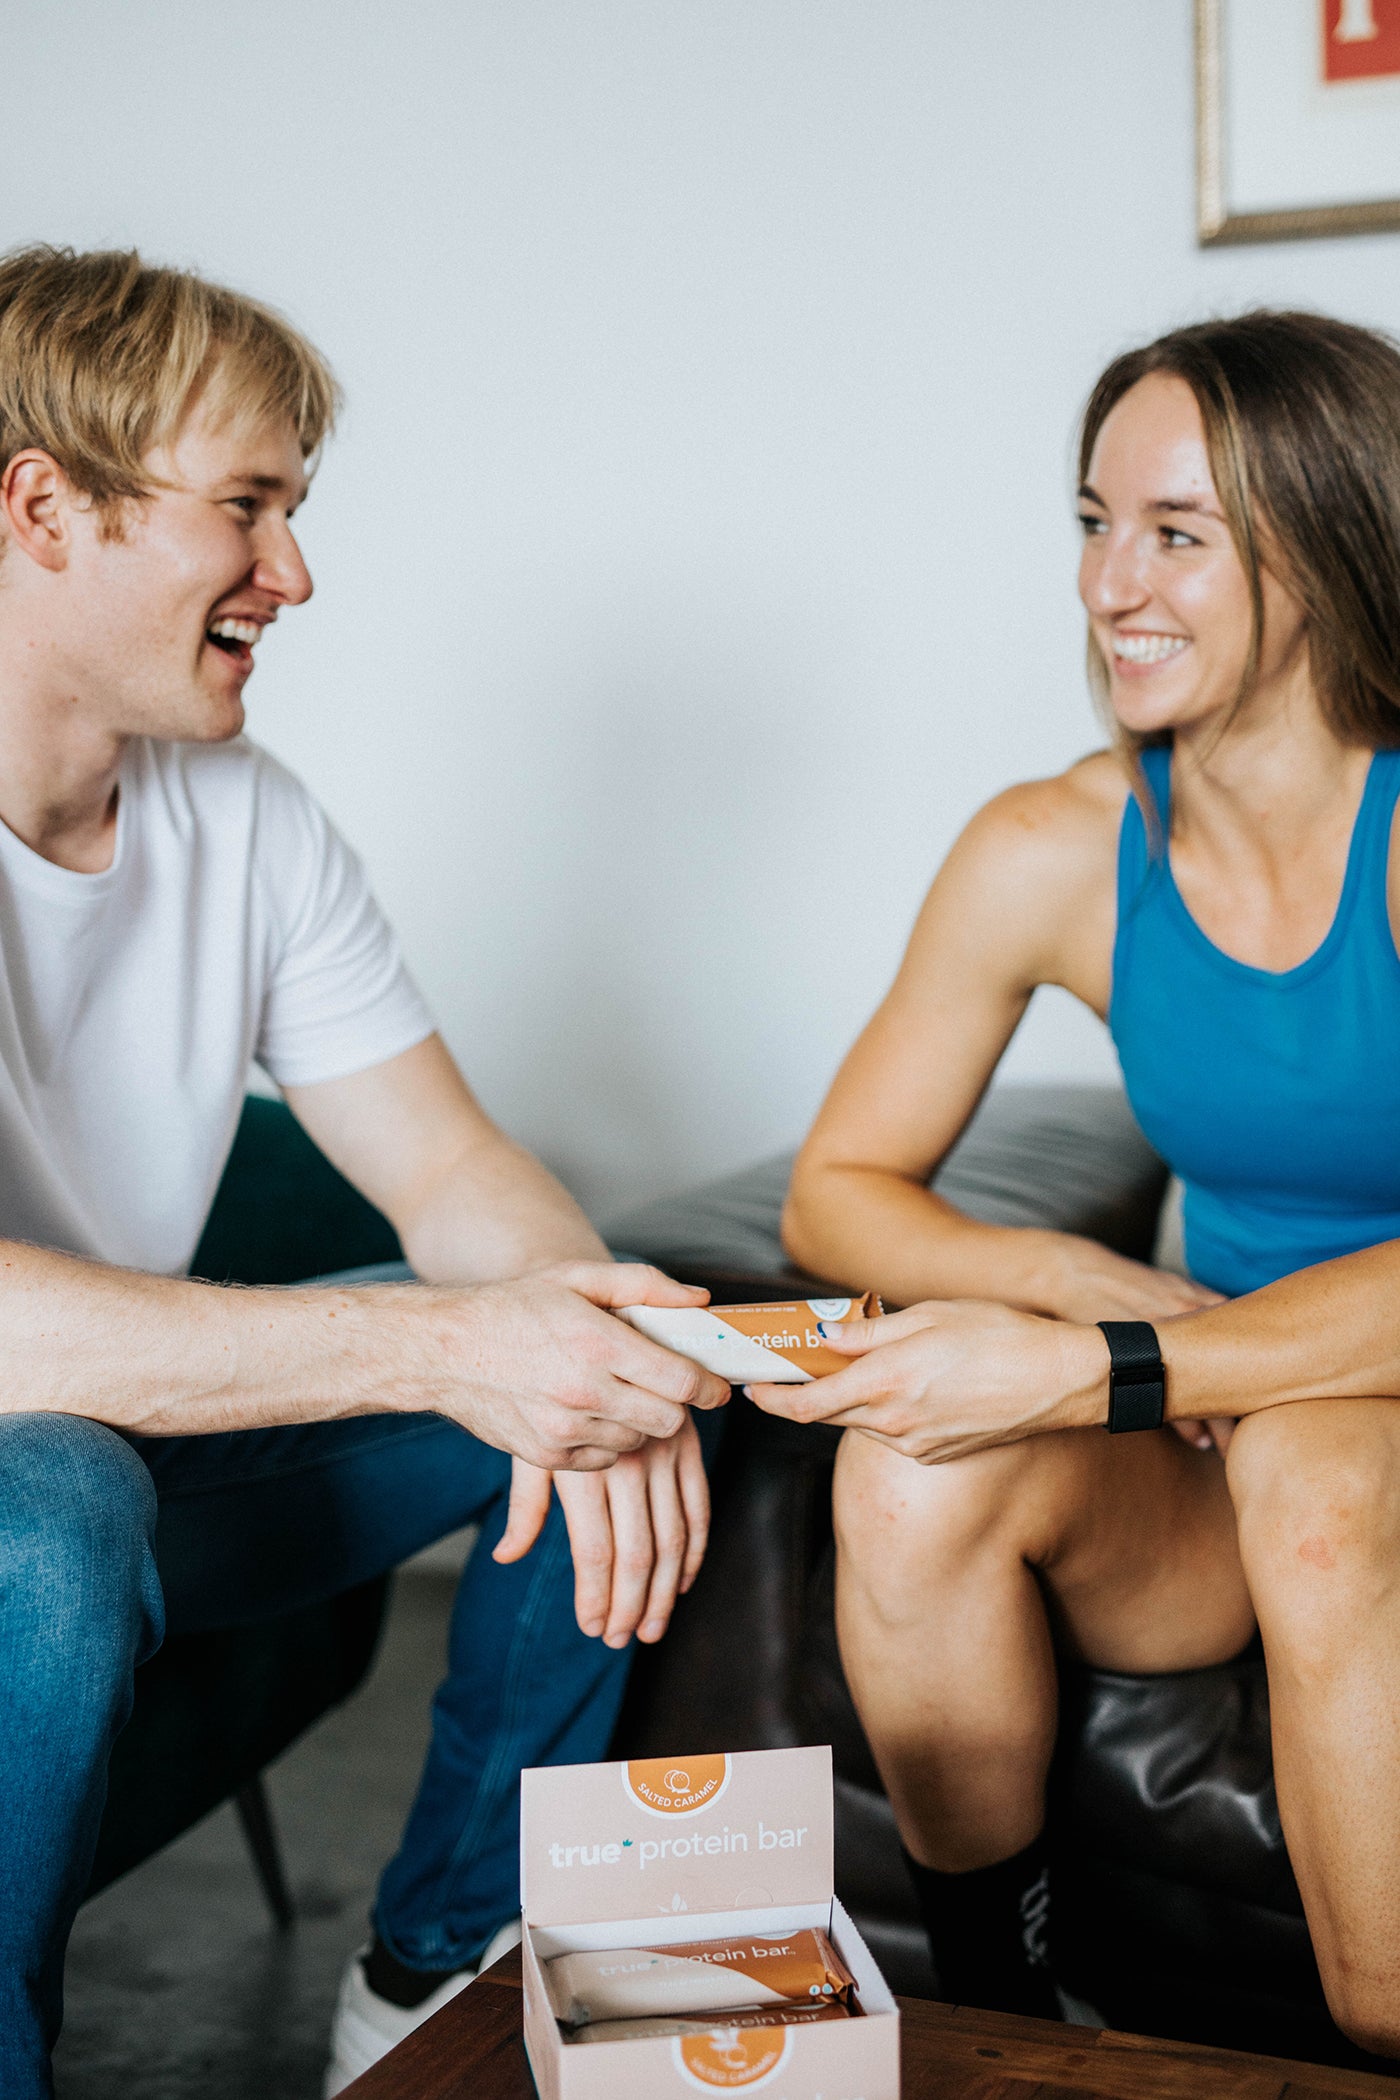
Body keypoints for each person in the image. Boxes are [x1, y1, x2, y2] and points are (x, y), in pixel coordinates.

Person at [0, 243, 731, 2100]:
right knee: (51, 1514)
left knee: (623, 1354)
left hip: (129, 1452)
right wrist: (441, 1350)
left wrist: (589, 1342)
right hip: (39, 1501)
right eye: (244, 508)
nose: (294, 574)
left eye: (296, 512)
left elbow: (455, 1168)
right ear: (42, 507)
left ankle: (432, 1973)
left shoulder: (244, 819)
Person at [757, 311, 1400, 2059]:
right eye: (1092, 522)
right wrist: (1078, 1283)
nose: (1112, 582)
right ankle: (1002, 2023)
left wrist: (1118, 1368)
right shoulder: (1053, 845)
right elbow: (842, 1189)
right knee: (909, 1467)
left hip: (1340, 1429)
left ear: (1333, 544)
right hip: (1220, 1436)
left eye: (1177, 533)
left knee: (1332, 1479)